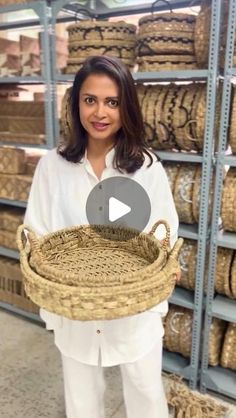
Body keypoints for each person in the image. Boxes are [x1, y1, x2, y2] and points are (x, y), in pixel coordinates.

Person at [24, 55, 179, 418]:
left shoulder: (146, 167)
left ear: (126, 107)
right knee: (81, 400)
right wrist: (54, 300)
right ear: (75, 102)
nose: (100, 112)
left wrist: (165, 275)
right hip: (75, 310)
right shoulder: (52, 166)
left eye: (112, 102)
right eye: (89, 99)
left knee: (145, 393)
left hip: (134, 310)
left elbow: (164, 233)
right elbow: (37, 233)